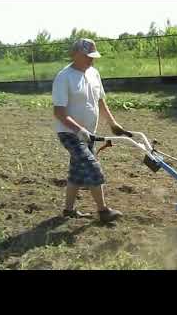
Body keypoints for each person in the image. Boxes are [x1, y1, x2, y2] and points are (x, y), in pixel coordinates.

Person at [52, 38, 132, 223]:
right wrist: (79, 130)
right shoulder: (64, 77)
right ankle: (103, 211)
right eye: (87, 56)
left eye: (93, 56)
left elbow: (100, 101)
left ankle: (68, 210)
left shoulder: (94, 73)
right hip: (69, 133)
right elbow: (59, 112)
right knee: (92, 168)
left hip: (89, 133)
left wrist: (113, 124)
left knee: (77, 172)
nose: (92, 60)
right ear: (76, 54)